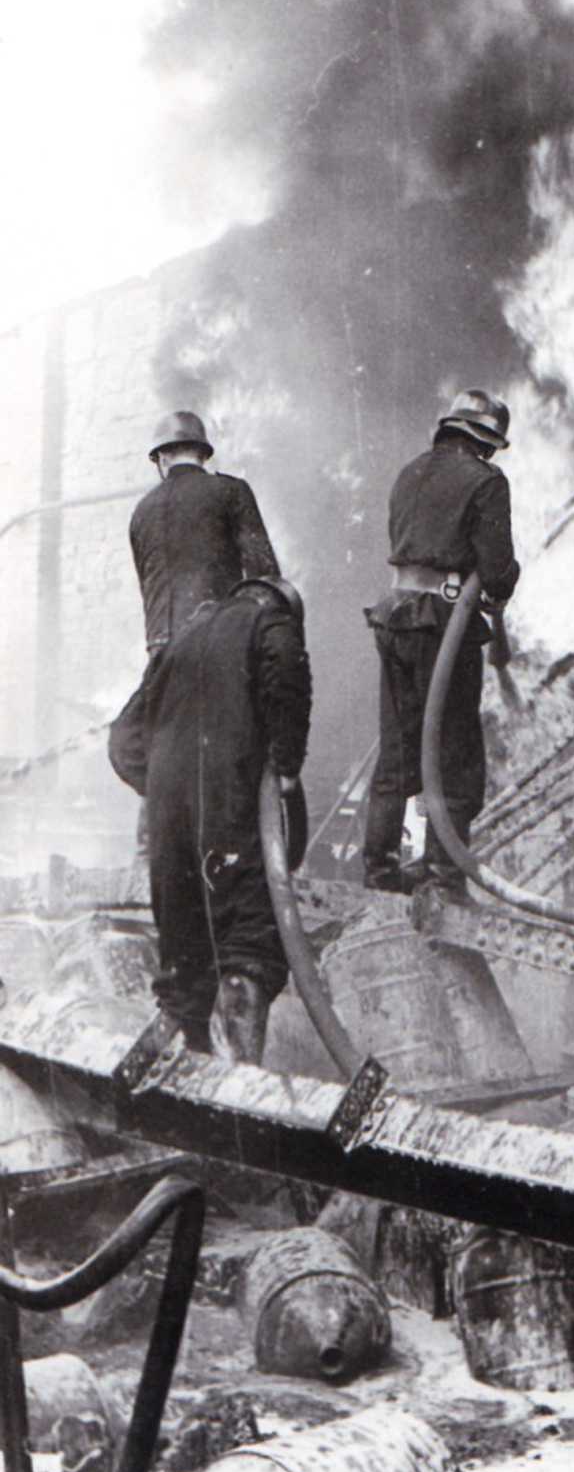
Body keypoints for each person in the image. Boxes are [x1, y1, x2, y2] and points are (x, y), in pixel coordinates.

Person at [125, 578, 311, 1062]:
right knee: (248, 950)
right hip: (232, 810)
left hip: (170, 826)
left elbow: (122, 742)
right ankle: (244, 1083)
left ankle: (183, 1082)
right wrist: (287, 764)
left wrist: (165, 787)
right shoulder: (269, 621)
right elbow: (285, 664)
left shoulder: (177, 642)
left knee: (184, 970)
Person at [361, 388, 520, 893]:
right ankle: (443, 878)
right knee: (454, 754)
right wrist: (501, 587)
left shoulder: (409, 472)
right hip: (442, 624)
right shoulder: (486, 481)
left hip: (393, 617)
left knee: (397, 751)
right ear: (485, 442)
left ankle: (380, 870)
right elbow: (497, 570)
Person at [109, 411, 280, 797]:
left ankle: (171, 809)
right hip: (220, 647)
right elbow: (265, 578)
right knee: (230, 751)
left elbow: (149, 591)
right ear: (202, 454)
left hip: (163, 655)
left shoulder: (141, 511)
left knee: (142, 746)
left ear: (162, 458)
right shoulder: (231, 492)